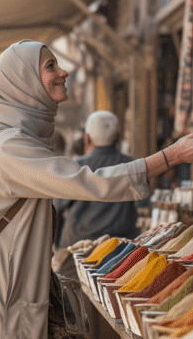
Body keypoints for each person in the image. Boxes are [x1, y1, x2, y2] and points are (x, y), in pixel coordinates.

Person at [0, 40, 193, 338]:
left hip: (6, 297)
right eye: (50, 66)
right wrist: (173, 155)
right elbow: (90, 181)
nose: (63, 72)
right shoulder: (8, 147)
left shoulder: (10, 141)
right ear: (23, 82)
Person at [53, 110, 140, 279]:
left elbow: (56, 209)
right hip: (121, 253)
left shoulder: (76, 166)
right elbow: (144, 207)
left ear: (87, 138)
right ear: (118, 137)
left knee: (75, 301)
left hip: (77, 252)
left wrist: (56, 246)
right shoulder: (132, 166)